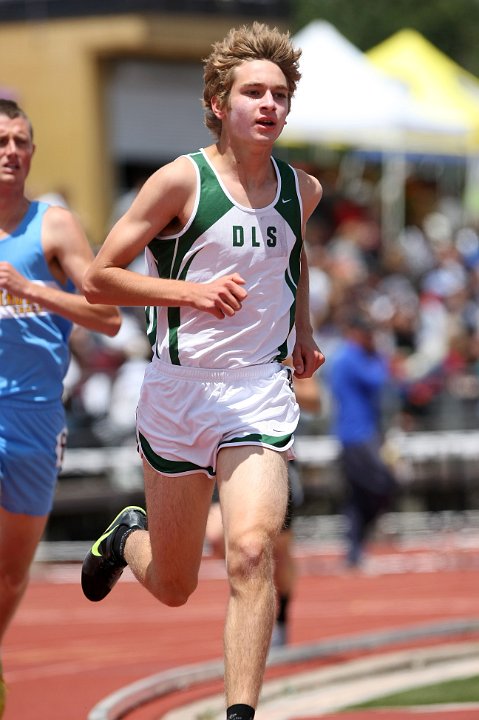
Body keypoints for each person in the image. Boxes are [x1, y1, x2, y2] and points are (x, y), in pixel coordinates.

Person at [80, 23, 324, 720]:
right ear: (217, 102)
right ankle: (128, 536)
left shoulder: (299, 189)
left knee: (250, 553)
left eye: (279, 94)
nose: (268, 105)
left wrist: (301, 330)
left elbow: (294, 258)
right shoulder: (180, 180)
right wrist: (189, 292)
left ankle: (239, 714)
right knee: (175, 584)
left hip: (256, 391)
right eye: (253, 92)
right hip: (178, 393)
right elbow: (100, 278)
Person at [0, 98, 121, 717]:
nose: (11, 151)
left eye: (21, 140)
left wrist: (35, 290)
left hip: (35, 417)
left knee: (11, 575)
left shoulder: (53, 227)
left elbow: (108, 315)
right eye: (2, 139)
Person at [205, 366, 322, 649]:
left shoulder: (281, 340)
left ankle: (279, 618)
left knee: (278, 551)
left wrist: (267, 384)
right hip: (218, 454)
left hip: (271, 455)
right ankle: (252, 597)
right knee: (218, 537)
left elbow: (314, 401)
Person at [329, 310, 396, 568]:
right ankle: (356, 543)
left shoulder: (346, 356)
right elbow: (379, 380)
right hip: (357, 434)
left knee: (358, 494)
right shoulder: (352, 357)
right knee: (383, 485)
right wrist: (380, 355)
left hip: (360, 433)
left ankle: (355, 548)